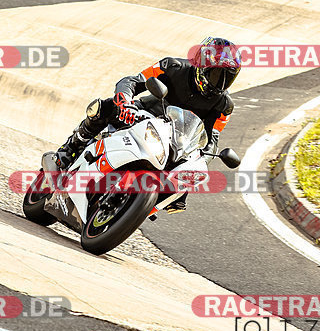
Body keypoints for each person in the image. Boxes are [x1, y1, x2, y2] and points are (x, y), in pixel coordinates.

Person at [54, 37, 241, 213]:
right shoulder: (172, 66)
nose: (220, 83)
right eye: (217, 74)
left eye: (227, 78)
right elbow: (133, 81)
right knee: (105, 107)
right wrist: (125, 102)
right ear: (202, 64)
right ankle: (71, 147)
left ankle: (140, 206)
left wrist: (200, 160)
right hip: (144, 114)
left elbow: (211, 139)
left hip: (176, 142)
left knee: (185, 182)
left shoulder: (224, 105)